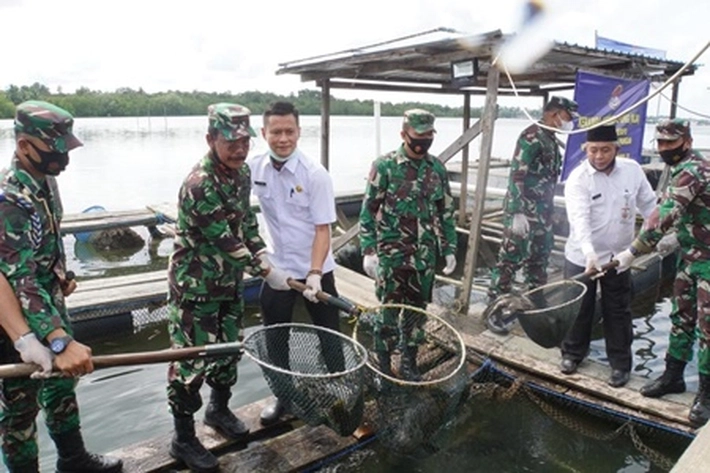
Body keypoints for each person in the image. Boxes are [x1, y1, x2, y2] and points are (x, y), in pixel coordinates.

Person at [165, 103, 291, 472]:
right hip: (195, 289)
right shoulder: (199, 183)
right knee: (189, 365)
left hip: (228, 285)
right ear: (210, 139)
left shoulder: (241, 174)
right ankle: (183, 439)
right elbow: (224, 239)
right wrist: (265, 271)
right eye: (230, 142)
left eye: (244, 141)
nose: (239, 149)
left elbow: (245, 226)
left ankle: (217, 410)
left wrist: (264, 253)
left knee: (230, 350)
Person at [0, 100, 123, 472]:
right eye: (55, 150)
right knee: (19, 408)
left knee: (61, 387)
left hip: (48, 302)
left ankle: (73, 459)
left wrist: (61, 276)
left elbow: (50, 237)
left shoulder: (45, 182)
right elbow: (18, 276)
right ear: (24, 146)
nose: (63, 158)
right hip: (14, 320)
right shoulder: (10, 200)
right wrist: (57, 339)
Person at [247, 101, 345, 426]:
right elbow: (238, 212)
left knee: (330, 333)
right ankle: (283, 396)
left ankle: (340, 385)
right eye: (276, 132)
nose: (283, 138)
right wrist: (260, 257)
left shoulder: (315, 175)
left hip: (316, 269)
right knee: (275, 337)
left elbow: (322, 229)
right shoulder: (253, 167)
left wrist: (316, 273)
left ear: (299, 132)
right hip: (277, 270)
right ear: (264, 133)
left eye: (290, 131)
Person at [614, 119, 710, 427]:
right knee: (680, 317)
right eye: (660, 143)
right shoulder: (676, 167)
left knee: (708, 328)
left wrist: (633, 251)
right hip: (690, 256)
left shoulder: (694, 169)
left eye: (670, 142)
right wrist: (674, 239)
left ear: (687, 141)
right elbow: (666, 210)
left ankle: (706, 395)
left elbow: (665, 215)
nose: (664, 148)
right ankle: (673, 376)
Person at [359, 108, 457, 380]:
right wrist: (368, 251)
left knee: (416, 315)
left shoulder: (437, 168)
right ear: (404, 134)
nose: (425, 140)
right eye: (419, 135)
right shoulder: (385, 166)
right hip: (391, 257)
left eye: (429, 135)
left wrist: (449, 249)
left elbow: (445, 212)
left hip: (424, 257)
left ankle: (409, 363)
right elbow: (368, 212)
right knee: (388, 315)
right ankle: (383, 366)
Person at [558, 125, 657, 388]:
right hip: (582, 256)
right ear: (585, 150)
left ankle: (620, 365)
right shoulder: (579, 178)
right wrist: (590, 254)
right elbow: (579, 220)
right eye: (593, 150)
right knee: (579, 309)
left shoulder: (632, 171)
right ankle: (572, 354)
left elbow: (650, 206)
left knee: (619, 311)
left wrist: (649, 238)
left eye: (605, 150)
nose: (599, 156)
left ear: (616, 149)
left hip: (620, 257)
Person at [488, 96, 579, 302]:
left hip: (543, 210)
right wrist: (516, 212)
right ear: (554, 114)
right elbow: (517, 175)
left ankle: (535, 296)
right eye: (568, 116)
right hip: (524, 210)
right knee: (511, 257)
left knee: (540, 255)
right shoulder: (531, 137)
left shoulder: (551, 139)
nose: (570, 121)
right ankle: (496, 301)